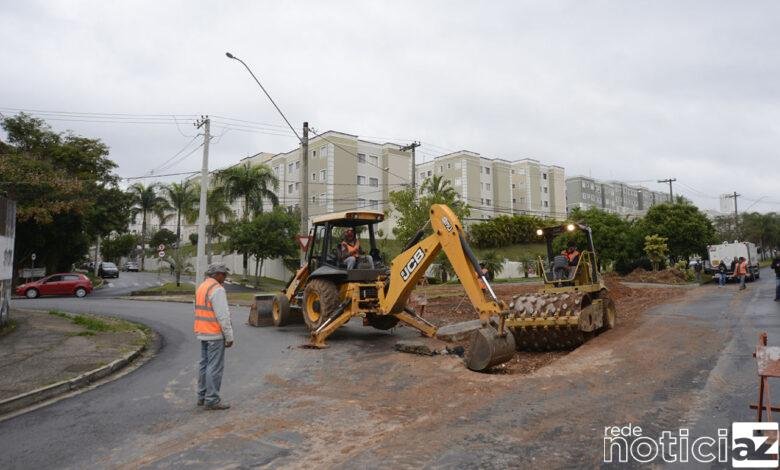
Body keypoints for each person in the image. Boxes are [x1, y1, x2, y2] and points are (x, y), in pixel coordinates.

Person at [194, 263, 234, 410]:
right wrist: (229, 337)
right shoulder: (217, 290)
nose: (225, 277)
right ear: (217, 274)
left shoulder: (202, 287)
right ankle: (212, 399)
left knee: (204, 365)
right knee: (214, 367)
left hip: (203, 333)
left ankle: (202, 396)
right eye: (223, 274)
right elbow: (223, 316)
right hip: (214, 334)